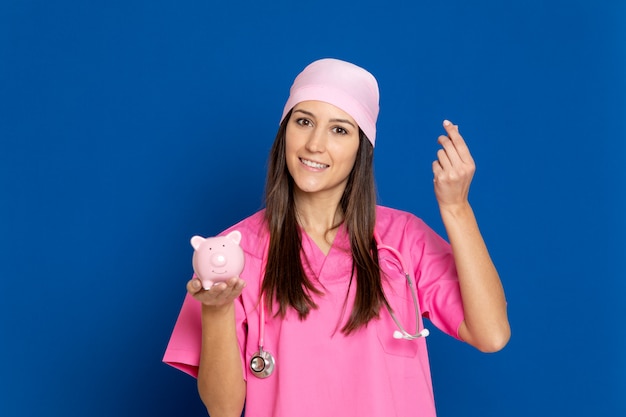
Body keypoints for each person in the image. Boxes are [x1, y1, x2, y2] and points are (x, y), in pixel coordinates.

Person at [163, 58, 510, 417]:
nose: (315, 144)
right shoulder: (231, 253)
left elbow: (491, 334)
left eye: (339, 130)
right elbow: (223, 409)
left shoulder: (403, 241)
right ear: (285, 133)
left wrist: (456, 208)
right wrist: (217, 310)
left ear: (362, 147)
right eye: (304, 122)